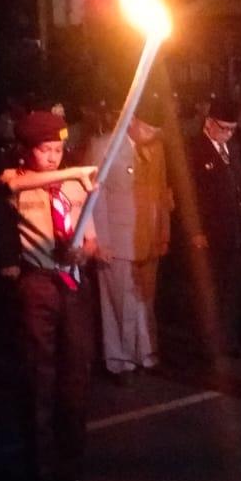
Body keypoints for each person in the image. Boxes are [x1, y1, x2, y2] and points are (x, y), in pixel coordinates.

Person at [0, 111, 100, 481]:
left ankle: (69, 470)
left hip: (71, 284)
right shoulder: (15, 180)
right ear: (28, 150)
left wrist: (83, 252)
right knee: (39, 378)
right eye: (45, 149)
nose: (54, 157)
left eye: (58, 149)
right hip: (37, 285)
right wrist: (77, 174)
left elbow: (91, 240)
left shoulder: (74, 184)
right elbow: (18, 183)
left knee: (76, 379)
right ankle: (37, 477)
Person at [85, 93, 174, 383]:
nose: (153, 135)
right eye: (149, 128)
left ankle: (146, 354)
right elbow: (97, 198)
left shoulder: (156, 148)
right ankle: (119, 361)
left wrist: (163, 231)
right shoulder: (104, 147)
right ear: (132, 120)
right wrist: (101, 241)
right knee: (117, 303)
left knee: (145, 300)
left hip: (147, 236)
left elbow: (162, 192)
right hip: (118, 239)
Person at [179, 97, 241, 361]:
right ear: (209, 123)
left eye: (232, 129)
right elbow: (189, 195)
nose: (228, 134)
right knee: (209, 292)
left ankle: (228, 340)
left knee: (231, 291)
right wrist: (195, 231)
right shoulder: (193, 149)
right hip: (208, 233)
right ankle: (206, 346)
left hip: (234, 232)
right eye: (224, 128)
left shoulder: (234, 149)